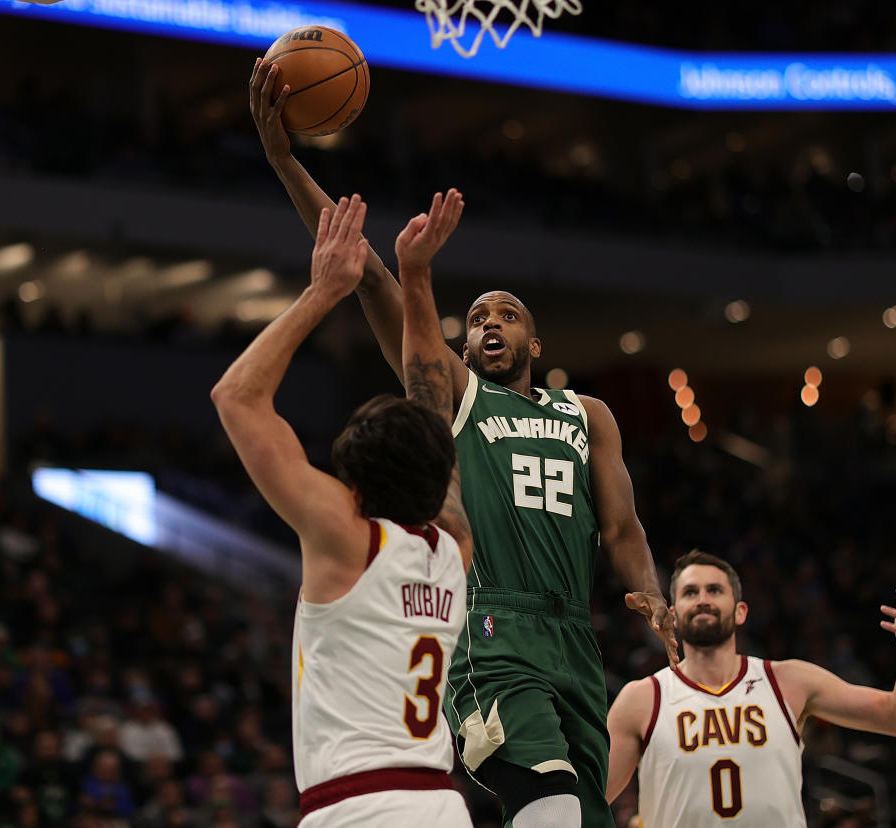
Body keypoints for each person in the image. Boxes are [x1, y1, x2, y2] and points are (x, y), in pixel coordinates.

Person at [249, 59, 678, 828]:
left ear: (535, 341)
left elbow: (621, 528)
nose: (487, 324)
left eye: (505, 314)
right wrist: (286, 161)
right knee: (545, 801)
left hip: (572, 634)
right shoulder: (456, 393)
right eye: (476, 315)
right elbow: (376, 281)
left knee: (584, 814)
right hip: (489, 626)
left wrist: (654, 595)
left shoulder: (590, 414)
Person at [210, 191, 473, 826]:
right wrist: (415, 276)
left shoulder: (346, 537)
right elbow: (433, 407)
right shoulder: (456, 547)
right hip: (440, 805)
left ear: (351, 486)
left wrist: (325, 291)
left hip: (358, 808)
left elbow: (237, 397)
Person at [606, 551, 896, 827]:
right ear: (673, 614)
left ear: (741, 611)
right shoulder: (642, 699)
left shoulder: (790, 681)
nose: (703, 599)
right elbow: (590, 797)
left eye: (715, 590)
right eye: (691, 592)